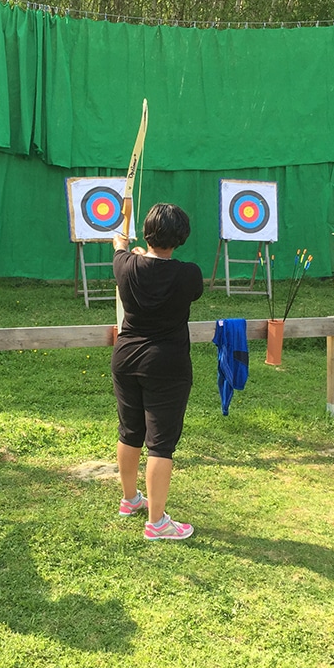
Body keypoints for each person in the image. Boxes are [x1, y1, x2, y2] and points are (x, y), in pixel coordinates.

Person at [112, 203, 203, 540]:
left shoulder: (124, 265)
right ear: (180, 238)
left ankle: (129, 499)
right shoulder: (189, 273)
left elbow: (123, 252)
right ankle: (157, 522)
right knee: (161, 445)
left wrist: (123, 246)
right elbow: (187, 288)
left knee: (129, 431)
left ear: (147, 233)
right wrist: (136, 254)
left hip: (126, 358)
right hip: (166, 363)